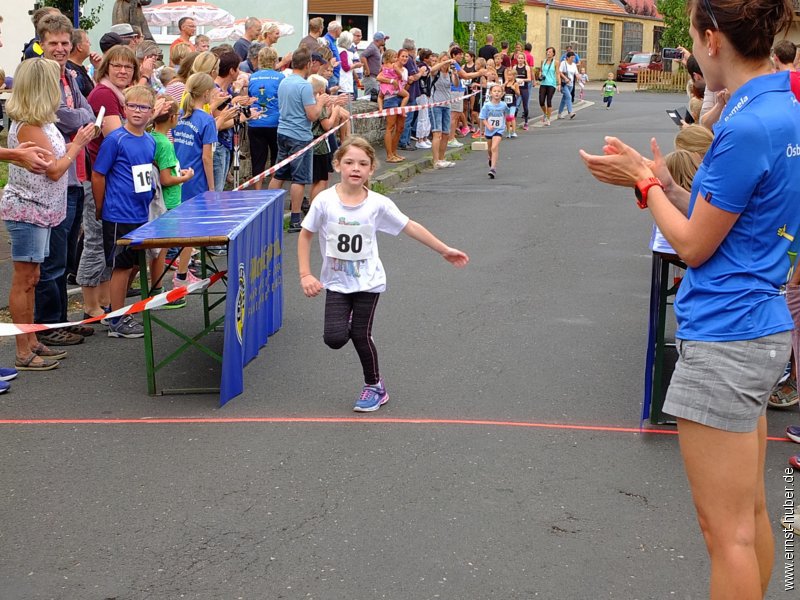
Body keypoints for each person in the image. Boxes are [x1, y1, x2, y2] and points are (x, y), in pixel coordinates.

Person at [580, 0, 800, 596]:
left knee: (723, 532)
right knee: (749, 517)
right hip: (759, 322)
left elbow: (693, 247)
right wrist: (673, 186)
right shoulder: (783, 107)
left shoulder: (744, 124)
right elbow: (732, 218)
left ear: (709, 38)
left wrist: (644, 183)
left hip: (727, 330)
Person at [297, 136, 469, 412]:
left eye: (363, 164)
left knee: (360, 335)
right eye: (349, 162)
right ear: (337, 164)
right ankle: (355, 328)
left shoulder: (377, 204)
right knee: (334, 338)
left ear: (371, 169)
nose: (356, 168)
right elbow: (305, 235)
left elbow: (409, 226)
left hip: (368, 282)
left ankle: (374, 386)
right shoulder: (324, 201)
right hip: (337, 282)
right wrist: (305, 274)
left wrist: (443, 249)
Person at [3, 58, 95, 369]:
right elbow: (54, 170)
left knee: (34, 277)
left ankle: (32, 339)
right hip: (29, 210)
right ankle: (22, 349)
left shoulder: (42, 122)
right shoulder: (29, 124)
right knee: (25, 279)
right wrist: (77, 144)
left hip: (42, 210)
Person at [37, 13, 97, 347]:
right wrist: (82, 123)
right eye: (54, 43)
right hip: (56, 176)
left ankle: (60, 319)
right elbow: (63, 116)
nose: (60, 49)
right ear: (41, 44)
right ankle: (47, 325)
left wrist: (81, 120)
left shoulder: (70, 75)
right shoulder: (41, 75)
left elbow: (85, 112)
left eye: (64, 43)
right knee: (53, 258)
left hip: (75, 176)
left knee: (64, 255)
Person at [93, 85, 157, 338]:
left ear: (152, 112)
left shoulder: (150, 141)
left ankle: (115, 308)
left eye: (144, 107)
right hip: (118, 213)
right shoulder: (115, 140)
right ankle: (117, 320)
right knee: (120, 266)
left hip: (140, 213)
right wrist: (101, 206)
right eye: (132, 106)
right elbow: (98, 174)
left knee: (132, 264)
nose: (138, 111)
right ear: (124, 109)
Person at [268, 47, 331, 233]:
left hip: (283, 131)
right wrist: (320, 102)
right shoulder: (304, 86)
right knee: (299, 178)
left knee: (279, 173)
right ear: (308, 64)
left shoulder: (284, 82)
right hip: (300, 135)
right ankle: (295, 218)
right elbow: (312, 115)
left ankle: (271, 213)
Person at [172, 73, 218, 286]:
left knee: (179, 227)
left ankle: (179, 270)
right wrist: (211, 186)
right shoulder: (206, 119)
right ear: (207, 93)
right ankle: (181, 275)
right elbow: (207, 157)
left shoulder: (181, 114)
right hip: (196, 179)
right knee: (192, 229)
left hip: (178, 175)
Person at [248, 47, 285, 190]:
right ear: (275, 60)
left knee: (258, 160)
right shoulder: (280, 77)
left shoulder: (253, 76)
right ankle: (272, 190)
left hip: (255, 122)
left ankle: (258, 191)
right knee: (276, 158)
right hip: (275, 122)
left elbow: (249, 95)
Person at [480, 82, 510, 179]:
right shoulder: (487, 106)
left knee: (494, 147)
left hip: (499, 129)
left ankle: (493, 168)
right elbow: (482, 118)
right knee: (489, 149)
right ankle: (490, 158)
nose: (497, 93)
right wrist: (488, 126)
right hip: (489, 130)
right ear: (491, 93)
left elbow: (507, 114)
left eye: (499, 91)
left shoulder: (504, 105)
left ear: (502, 94)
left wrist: (507, 125)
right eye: (495, 91)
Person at [66, 29, 100, 100]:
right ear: (79, 47)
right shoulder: (70, 70)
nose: (90, 44)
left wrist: (96, 67)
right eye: (87, 42)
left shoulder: (79, 67)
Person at [360, 32, 389, 100]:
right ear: (378, 40)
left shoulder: (376, 48)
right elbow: (362, 56)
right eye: (383, 39)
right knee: (370, 98)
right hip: (371, 78)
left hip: (374, 78)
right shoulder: (372, 47)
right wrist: (367, 69)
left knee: (374, 98)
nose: (384, 41)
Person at [512, 51, 532, 130]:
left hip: (524, 88)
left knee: (525, 105)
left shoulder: (526, 67)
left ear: (524, 59)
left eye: (522, 58)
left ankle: (526, 122)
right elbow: (512, 77)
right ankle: (513, 121)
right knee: (514, 104)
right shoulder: (514, 67)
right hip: (516, 87)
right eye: (519, 58)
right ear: (517, 59)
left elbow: (529, 79)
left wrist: (522, 80)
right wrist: (515, 80)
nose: (520, 60)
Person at [538, 47, 557, 126]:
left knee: (549, 101)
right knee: (541, 101)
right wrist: (539, 75)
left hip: (551, 84)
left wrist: (559, 84)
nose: (548, 53)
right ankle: (545, 113)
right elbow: (541, 71)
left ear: (553, 53)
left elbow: (558, 73)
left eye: (550, 52)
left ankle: (548, 119)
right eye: (547, 52)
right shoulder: (543, 61)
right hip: (543, 83)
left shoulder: (556, 62)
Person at [557, 51, 578, 120]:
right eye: (572, 58)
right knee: (569, 96)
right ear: (567, 58)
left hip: (571, 84)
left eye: (574, 58)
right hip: (564, 84)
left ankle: (559, 114)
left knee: (564, 99)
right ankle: (570, 112)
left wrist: (580, 78)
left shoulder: (574, 65)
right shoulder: (563, 63)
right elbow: (559, 72)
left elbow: (576, 73)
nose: (573, 59)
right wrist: (565, 78)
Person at [322, 21, 342, 87]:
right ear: (337, 30)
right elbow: (324, 56)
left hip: (334, 74)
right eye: (340, 29)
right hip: (330, 75)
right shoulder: (326, 41)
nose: (341, 31)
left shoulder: (333, 41)